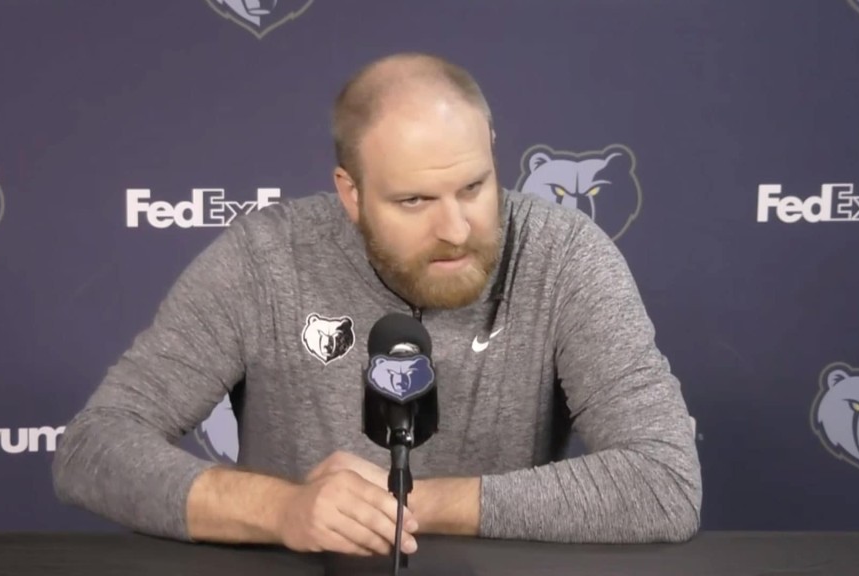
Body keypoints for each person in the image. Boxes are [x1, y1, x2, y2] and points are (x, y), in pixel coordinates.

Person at [52, 52, 702, 557]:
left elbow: (664, 481)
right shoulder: (263, 259)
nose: (456, 228)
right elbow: (94, 448)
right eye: (414, 201)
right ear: (351, 192)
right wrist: (284, 511)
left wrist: (406, 503)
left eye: (474, 187)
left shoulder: (564, 256)